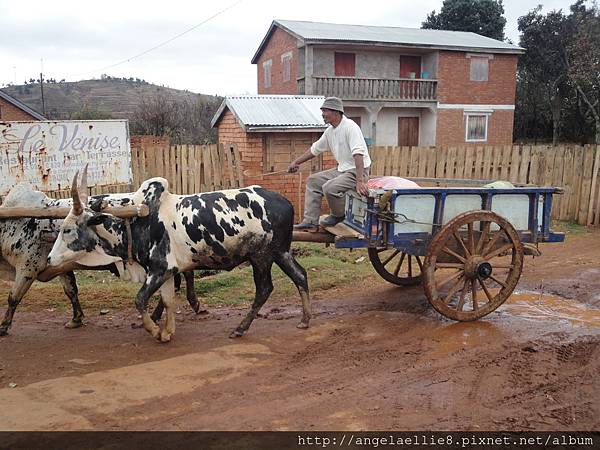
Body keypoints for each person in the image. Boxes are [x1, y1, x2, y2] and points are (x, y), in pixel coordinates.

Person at [288, 97, 371, 230]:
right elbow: (314, 150)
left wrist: (360, 180)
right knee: (313, 181)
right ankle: (310, 221)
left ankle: (339, 215)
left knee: (329, 187)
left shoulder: (350, 127)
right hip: (342, 170)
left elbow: (358, 154)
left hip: (357, 170)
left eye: (325, 111)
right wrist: (296, 162)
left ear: (336, 112)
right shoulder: (330, 132)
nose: (322, 114)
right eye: (322, 111)